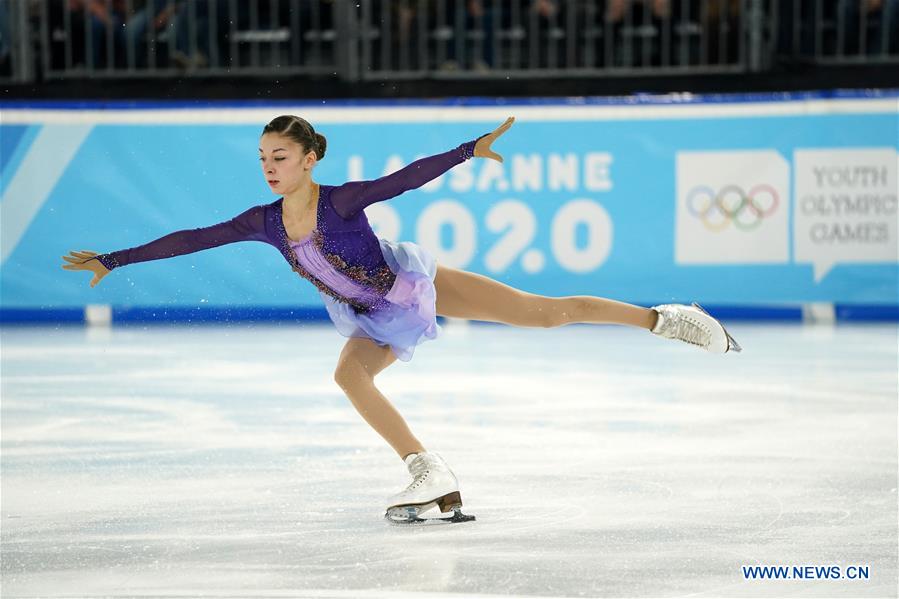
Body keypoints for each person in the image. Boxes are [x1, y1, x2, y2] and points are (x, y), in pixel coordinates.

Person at [61, 115, 740, 525]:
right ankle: (427, 469)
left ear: (309, 159)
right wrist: (114, 260)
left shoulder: (341, 201)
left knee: (543, 314)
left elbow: (405, 178)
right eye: (263, 158)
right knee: (349, 376)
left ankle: (665, 319)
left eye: (281, 157)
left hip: (411, 289)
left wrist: (468, 150)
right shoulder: (262, 221)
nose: (269, 167)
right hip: (366, 317)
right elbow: (194, 238)